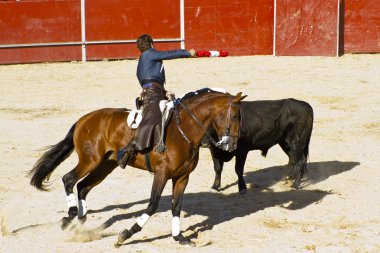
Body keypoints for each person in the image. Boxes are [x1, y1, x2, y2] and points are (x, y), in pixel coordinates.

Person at [117, 34, 196, 168]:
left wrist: (163, 92)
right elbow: (169, 54)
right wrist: (187, 53)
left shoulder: (143, 59)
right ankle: (131, 147)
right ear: (152, 44)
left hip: (155, 92)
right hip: (153, 94)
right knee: (153, 117)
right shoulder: (150, 54)